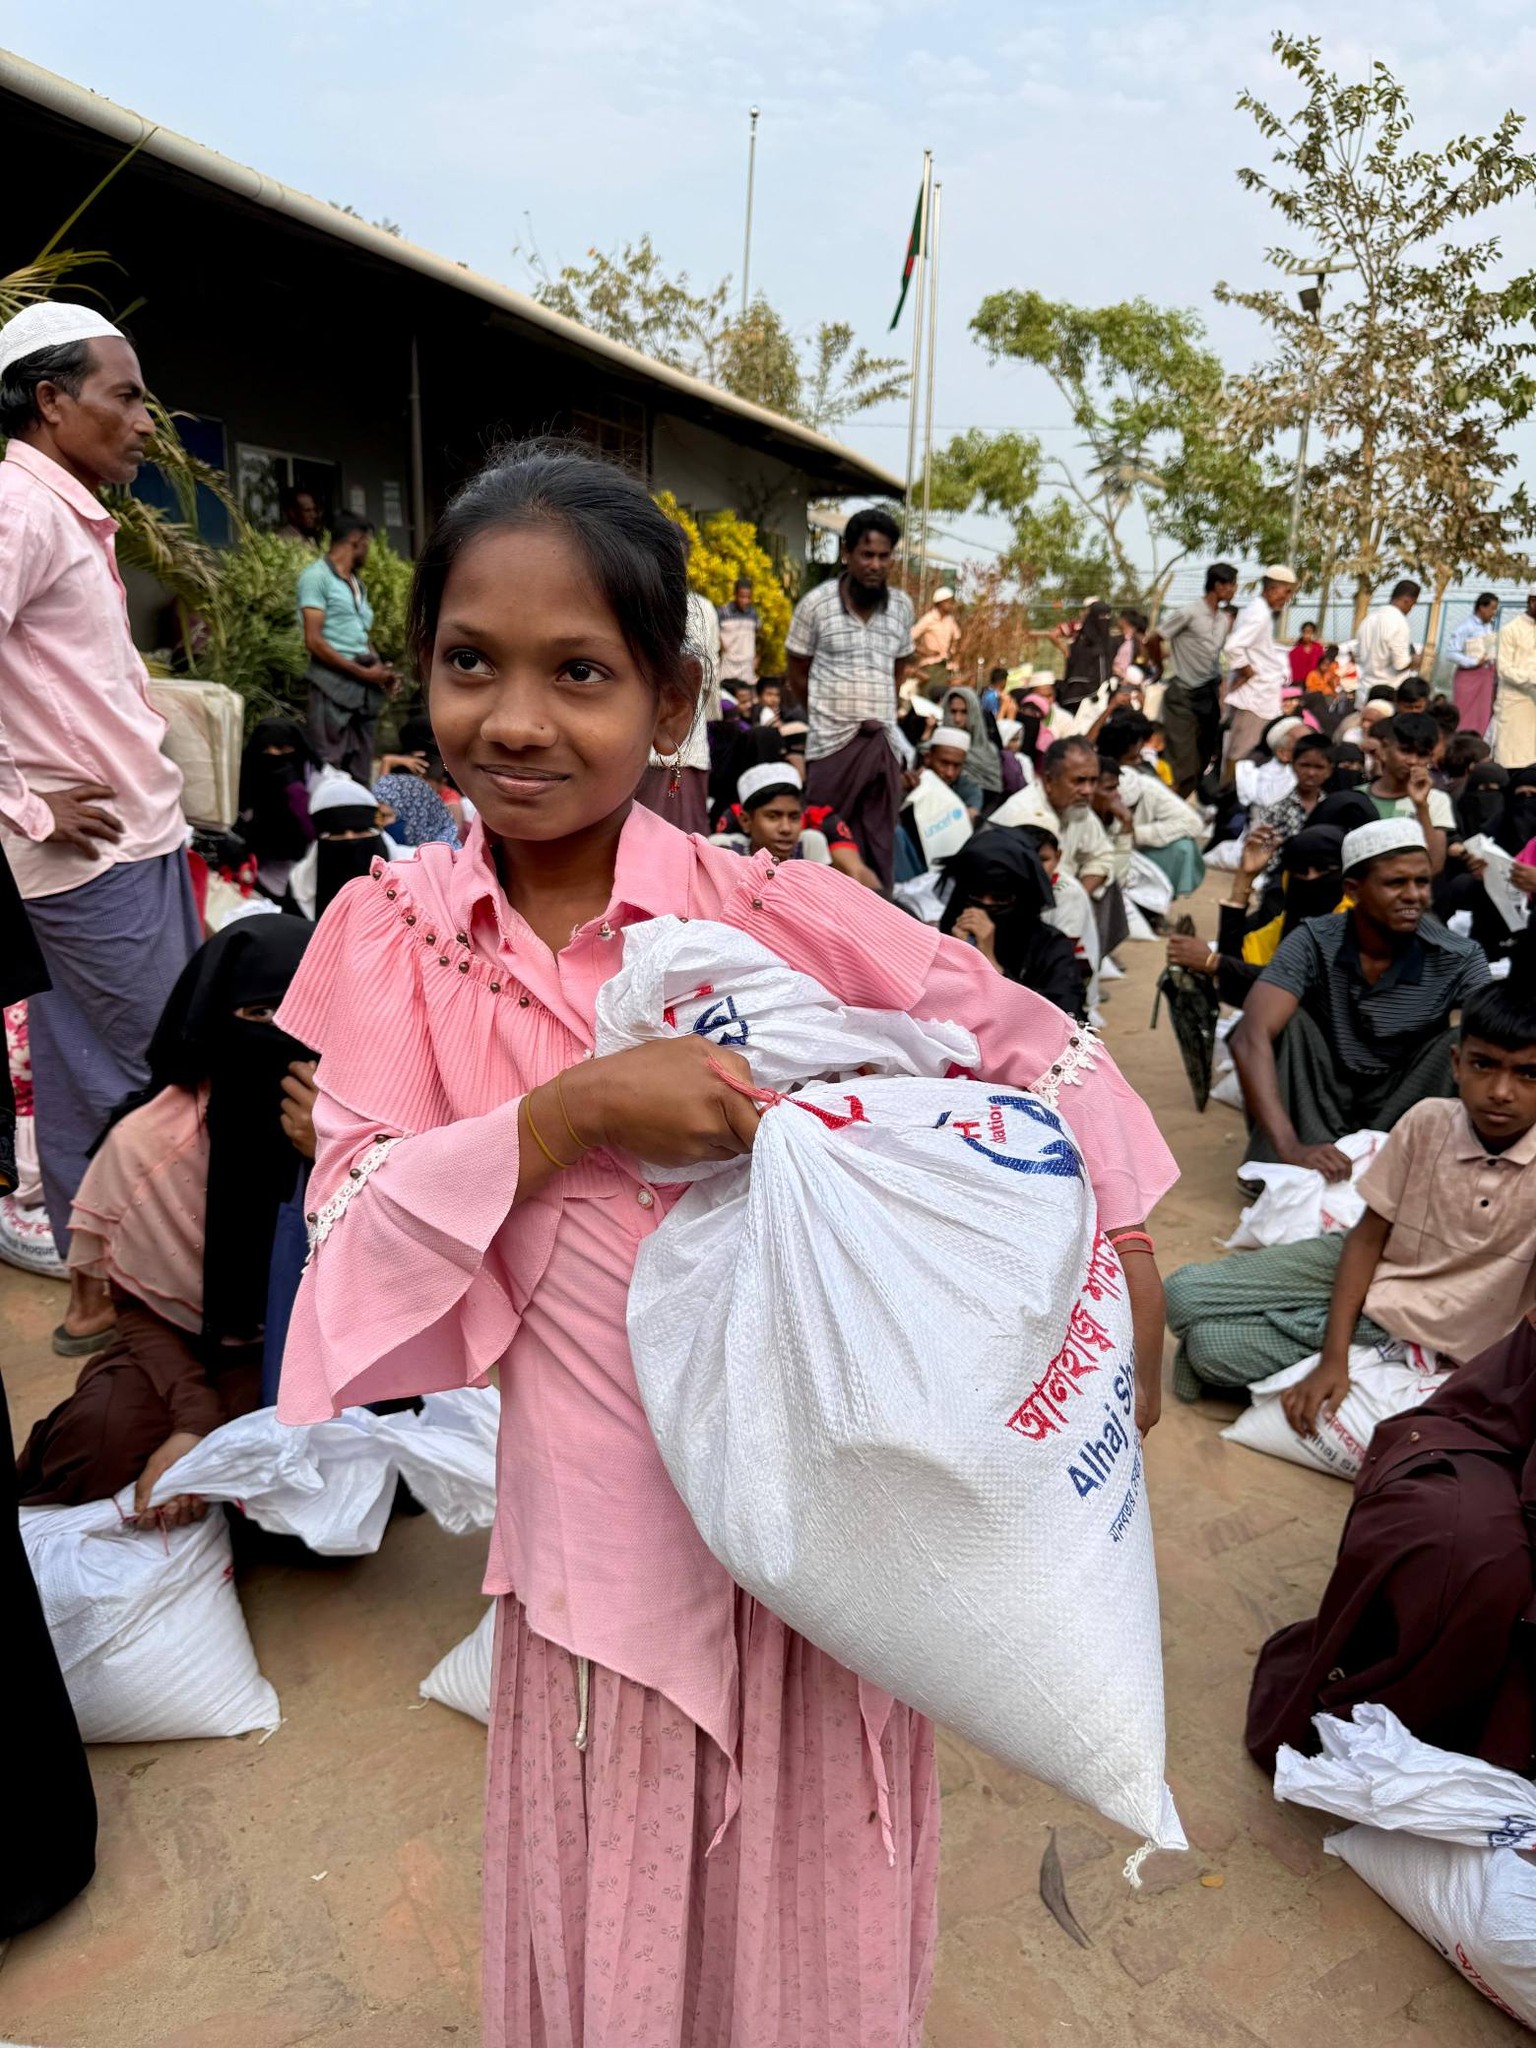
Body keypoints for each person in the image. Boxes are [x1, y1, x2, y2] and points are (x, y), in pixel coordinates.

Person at [269, 442, 1177, 2045]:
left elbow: (1034, 1051)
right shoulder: (394, 938)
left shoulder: (768, 914)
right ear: (421, 674)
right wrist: (570, 1114)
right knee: (618, 1934)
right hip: (603, 1571)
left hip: (828, 1545)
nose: (518, 721)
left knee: (804, 1933)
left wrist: (1129, 1277)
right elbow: (349, 1224)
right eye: (471, 663)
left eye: (581, 673)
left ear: (672, 702)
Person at [0, 302, 201, 1356]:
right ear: (51, 400)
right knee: (161, 1073)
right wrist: (28, 805)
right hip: (91, 856)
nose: (145, 422)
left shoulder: (57, 508)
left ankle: (95, 1298)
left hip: (125, 843)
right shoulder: (19, 509)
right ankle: (163, 1298)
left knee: (88, 1070)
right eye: (125, 397)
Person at [17, 918, 316, 1512]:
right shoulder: (150, 1145)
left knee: (286, 1476)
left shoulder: (361, 1124)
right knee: (97, 1443)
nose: (284, 1037)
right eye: (260, 1015)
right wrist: (194, 1421)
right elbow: (136, 1311)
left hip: (310, 1353)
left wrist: (333, 1157)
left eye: (303, 1013)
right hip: (179, 1348)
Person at [1168, 979, 1536, 1408]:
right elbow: (1366, 1238)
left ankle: (1304, 1327)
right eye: (1484, 1065)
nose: (1501, 1092)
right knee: (1181, 1293)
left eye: (1528, 1074)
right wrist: (1334, 1358)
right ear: (1457, 1064)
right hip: (1367, 1257)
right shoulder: (1428, 1121)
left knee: (1211, 1349)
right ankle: (1312, 1325)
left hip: (1416, 1314)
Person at [1246, 1317, 1536, 1778]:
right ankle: (1375, 1720)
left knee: (1487, 1570)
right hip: (1480, 1432)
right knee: (1460, 1552)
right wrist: (1335, 1357)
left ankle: (1475, 1752)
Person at [1230, 818, 1490, 1176]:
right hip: (1320, 1095)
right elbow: (1249, 1038)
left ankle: (1434, 1163)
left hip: (1408, 1100)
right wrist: (1291, 1146)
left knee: (1471, 1042)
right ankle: (1283, 1157)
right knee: (1285, 1023)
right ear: (1353, 890)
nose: (1413, 895)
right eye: (1396, 883)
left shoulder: (1459, 955)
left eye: (1421, 882)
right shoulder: (1313, 940)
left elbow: (1503, 1039)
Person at [785, 510, 913, 887]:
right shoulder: (816, 604)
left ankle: (878, 917)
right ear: (847, 553)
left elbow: (899, 669)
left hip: (883, 743)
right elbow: (797, 671)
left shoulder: (902, 607)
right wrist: (823, 711)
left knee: (878, 842)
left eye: (884, 556)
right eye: (867, 554)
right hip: (830, 744)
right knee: (824, 838)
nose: (876, 565)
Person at [1165, 821, 1347, 1010]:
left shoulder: (1352, 925)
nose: (1310, 878)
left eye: (1324, 869)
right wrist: (1245, 877)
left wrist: (1215, 962)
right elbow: (1236, 987)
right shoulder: (1284, 920)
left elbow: (1304, 985)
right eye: (1300, 870)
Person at [939, 829, 1085, 1018]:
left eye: (1000, 899)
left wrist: (991, 965)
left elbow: (1066, 1019)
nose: (984, 908)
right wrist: (956, 955)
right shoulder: (948, 935)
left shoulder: (1050, 947)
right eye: (976, 895)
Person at [298, 516, 399, 783]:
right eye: (368, 544)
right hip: (331, 683)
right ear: (356, 541)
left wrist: (380, 671)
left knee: (360, 768)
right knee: (330, 767)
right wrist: (362, 673)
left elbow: (359, 634)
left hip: (362, 690)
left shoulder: (356, 584)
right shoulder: (316, 577)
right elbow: (313, 641)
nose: (368, 551)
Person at [636, 589, 721, 834]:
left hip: (682, 746)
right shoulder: (702, 607)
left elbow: (710, 672)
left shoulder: (701, 608)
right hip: (665, 747)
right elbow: (711, 672)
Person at [714, 760, 880, 886]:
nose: (786, 828)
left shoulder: (809, 844)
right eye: (773, 817)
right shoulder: (725, 849)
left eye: (794, 817)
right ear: (746, 821)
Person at [1098, 714, 1206, 899]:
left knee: (1183, 847)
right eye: (1132, 758)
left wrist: (1135, 833)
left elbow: (1193, 823)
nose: (1140, 762)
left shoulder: (1145, 785)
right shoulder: (1088, 783)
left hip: (1135, 851)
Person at [991, 736, 1114, 898]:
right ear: (1049, 780)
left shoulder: (1076, 807)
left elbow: (1102, 855)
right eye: (1079, 781)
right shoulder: (1025, 818)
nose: (1088, 791)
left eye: (1093, 781)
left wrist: (1081, 897)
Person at [1160, 566, 1239, 796]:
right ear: (1218, 586)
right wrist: (1159, 668)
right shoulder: (1189, 613)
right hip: (1183, 694)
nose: (1234, 590)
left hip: (1208, 694)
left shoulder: (1223, 620)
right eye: (1232, 585)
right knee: (1181, 763)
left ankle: (1181, 803)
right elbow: (1155, 638)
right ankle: (1170, 807)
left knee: (1202, 759)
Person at [1222, 566, 1298, 778]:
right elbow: (1233, 647)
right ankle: (1228, 795)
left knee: (1247, 753)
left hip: (1260, 697)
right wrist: (1248, 673)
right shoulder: (1259, 614)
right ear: (1272, 589)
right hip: (1254, 698)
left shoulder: (1259, 611)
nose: (1287, 598)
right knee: (1242, 755)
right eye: (1286, 592)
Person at [288, 776, 397, 921]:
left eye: (359, 831)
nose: (350, 838)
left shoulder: (410, 868)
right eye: (337, 833)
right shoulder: (300, 884)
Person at [237, 716, 320, 899]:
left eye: (282, 749)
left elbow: (315, 828)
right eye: (266, 749)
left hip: (307, 876)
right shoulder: (246, 779)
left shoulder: (315, 781)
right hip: (255, 877)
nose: (274, 754)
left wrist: (295, 791)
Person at [1364, 712, 1454, 874]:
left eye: (1422, 754)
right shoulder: (1358, 797)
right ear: (1384, 750)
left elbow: (1434, 865)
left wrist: (1421, 806)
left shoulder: (1436, 800)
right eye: (1405, 751)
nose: (1413, 761)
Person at [1249, 732, 1334, 882]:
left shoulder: (1333, 810)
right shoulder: (1276, 810)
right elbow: (1265, 854)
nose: (1311, 773)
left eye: (1319, 767)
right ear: (1293, 765)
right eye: (1305, 765)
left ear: (1329, 770)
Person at [373, 712, 462, 849]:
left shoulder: (446, 793)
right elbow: (381, 801)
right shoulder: (402, 779)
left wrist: (389, 761)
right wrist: (391, 761)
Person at [1354, 579, 1420, 702]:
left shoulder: (1369, 619)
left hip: (1364, 692)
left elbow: (1357, 656)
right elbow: (1400, 664)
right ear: (1408, 600)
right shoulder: (1399, 622)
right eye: (1413, 604)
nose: (1411, 609)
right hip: (1387, 694)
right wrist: (1415, 660)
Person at [942, 685, 1005, 811]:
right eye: (953, 712)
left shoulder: (989, 752)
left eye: (964, 712)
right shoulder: (934, 749)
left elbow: (994, 794)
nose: (957, 719)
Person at [1447, 592, 1500, 736]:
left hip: (1486, 676)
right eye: (1492, 608)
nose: (1494, 612)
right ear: (1481, 607)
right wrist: (1474, 662)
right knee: (1463, 713)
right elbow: (1451, 653)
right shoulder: (1465, 627)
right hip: (1468, 677)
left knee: (1483, 714)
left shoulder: (1489, 627)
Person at [1494, 590, 1536, 767]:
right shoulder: (1511, 630)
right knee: (1511, 758)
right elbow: (1504, 669)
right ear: (1533, 602)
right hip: (1514, 700)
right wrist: (1533, 678)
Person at [911, 584, 960, 688]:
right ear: (940, 603)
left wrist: (953, 653)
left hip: (946, 666)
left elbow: (957, 638)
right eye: (948, 602)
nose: (951, 605)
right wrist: (923, 651)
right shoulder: (929, 619)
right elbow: (908, 638)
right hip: (931, 666)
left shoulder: (950, 620)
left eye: (951, 602)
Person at [717, 577, 759, 697]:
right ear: (735, 594)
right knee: (726, 700)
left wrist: (757, 657)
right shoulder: (723, 612)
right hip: (728, 666)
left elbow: (757, 636)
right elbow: (714, 633)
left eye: (748, 597)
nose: (745, 600)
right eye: (742, 596)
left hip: (747, 667)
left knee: (746, 701)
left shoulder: (753, 614)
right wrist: (721, 646)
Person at [1288, 620, 1324, 689]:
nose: (1306, 635)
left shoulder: (1318, 648)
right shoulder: (1295, 650)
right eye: (1304, 632)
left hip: (1314, 682)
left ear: (1313, 633)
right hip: (1299, 683)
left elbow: (1321, 666)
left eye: (1309, 632)